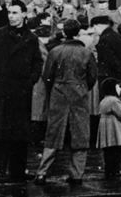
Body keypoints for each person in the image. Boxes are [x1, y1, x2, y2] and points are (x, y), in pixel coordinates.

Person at [0, 1, 42, 182]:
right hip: (3, 91)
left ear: (23, 15)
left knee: (21, 133)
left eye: (15, 13)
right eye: (9, 13)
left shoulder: (31, 38)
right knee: (0, 131)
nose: (11, 16)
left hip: (22, 91)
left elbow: (38, 61)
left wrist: (31, 80)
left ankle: (18, 170)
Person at [35, 18, 98, 185]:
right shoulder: (87, 53)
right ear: (78, 33)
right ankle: (77, 173)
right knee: (80, 134)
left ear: (64, 32)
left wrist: (55, 87)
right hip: (79, 93)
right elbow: (92, 77)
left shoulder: (55, 51)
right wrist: (82, 87)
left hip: (58, 93)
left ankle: (42, 172)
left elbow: (46, 75)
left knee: (54, 133)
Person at [96, 78, 121, 180]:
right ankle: (115, 170)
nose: (120, 88)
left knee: (108, 154)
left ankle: (109, 171)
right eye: (118, 86)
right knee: (116, 153)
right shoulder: (114, 101)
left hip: (106, 131)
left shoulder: (103, 101)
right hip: (114, 131)